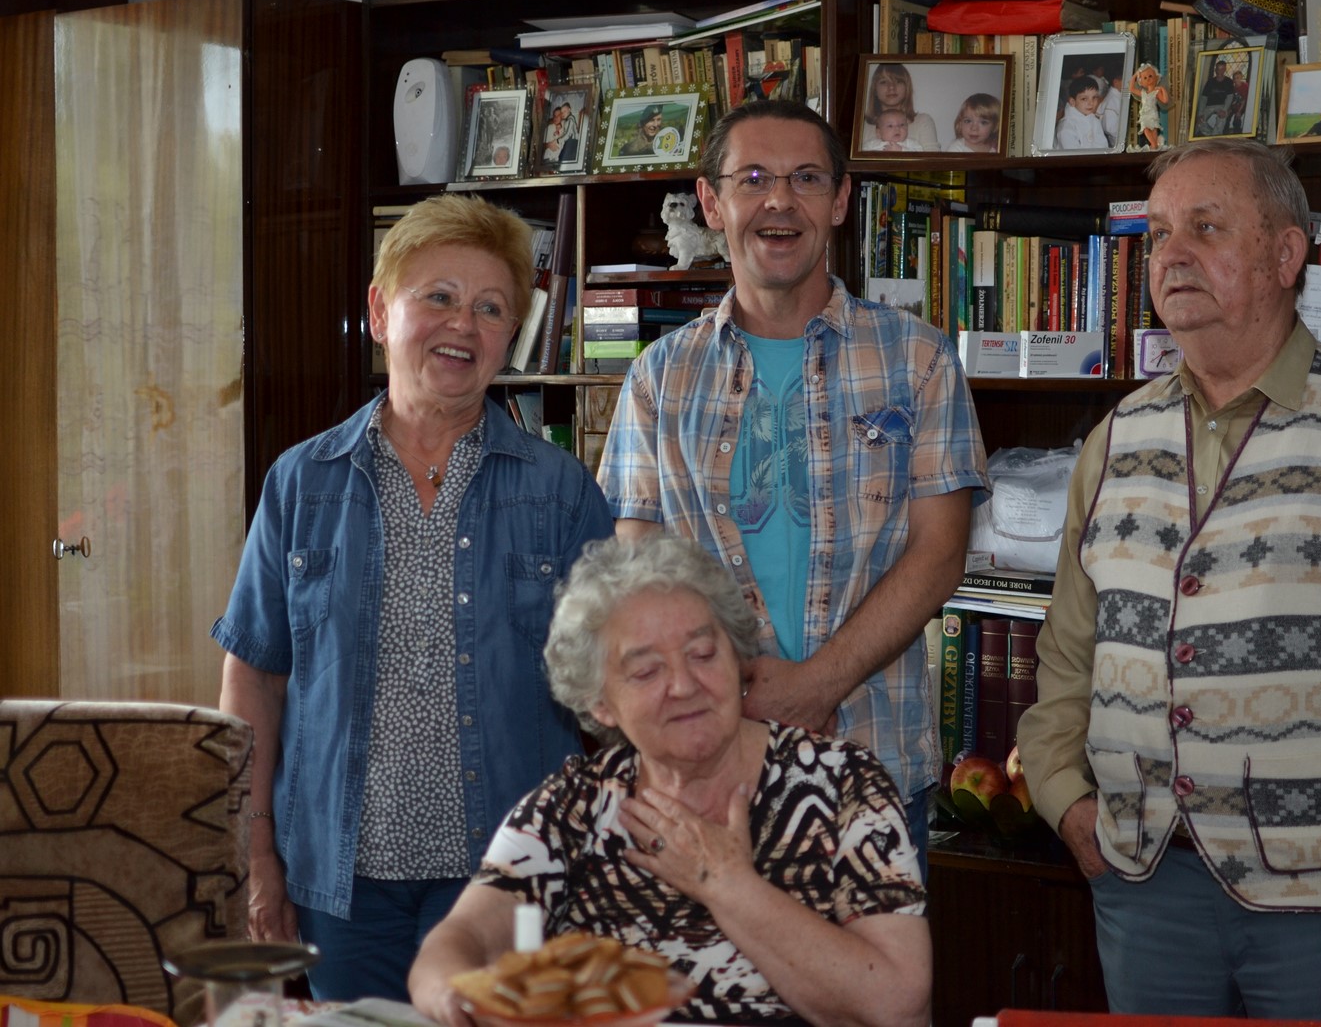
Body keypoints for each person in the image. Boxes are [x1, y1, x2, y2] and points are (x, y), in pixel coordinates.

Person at [1018, 138, 1321, 1024]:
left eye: (1206, 226)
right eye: (1160, 232)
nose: (1171, 254)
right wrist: (1061, 794)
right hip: (1141, 886)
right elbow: (1067, 651)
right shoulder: (1116, 436)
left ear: (1287, 254)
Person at [213, 193, 615, 1001]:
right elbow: (254, 676)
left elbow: (611, 694)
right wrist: (257, 852)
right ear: (378, 310)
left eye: (490, 308)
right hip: (342, 883)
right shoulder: (302, 484)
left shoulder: (561, 493)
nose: (462, 325)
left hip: (509, 880)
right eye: (438, 297)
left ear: (511, 335)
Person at [595, 100, 987, 863]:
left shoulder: (920, 360)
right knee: (711, 986)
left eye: (806, 178)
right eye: (753, 178)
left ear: (840, 201)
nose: (779, 201)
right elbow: (639, 566)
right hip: (705, 770)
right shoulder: (657, 378)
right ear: (712, 203)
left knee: (876, 985)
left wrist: (814, 686)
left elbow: (940, 554)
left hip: (868, 766)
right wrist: (737, 689)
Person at [407, 535, 931, 1026]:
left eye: (703, 655)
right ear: (600, 704)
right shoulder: (574, 806)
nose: (683, 685)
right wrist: (460, 997)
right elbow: (455, 943)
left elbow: (897, 1004)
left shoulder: (842, 786)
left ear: (739, 661)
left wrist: (727, 886)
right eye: (646, 672)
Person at [860, 62, 941, 151]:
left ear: (907, 87)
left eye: (898, 81)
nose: (891, 87)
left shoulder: (922, 122)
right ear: (875, 89)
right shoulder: (861, 125)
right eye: (884, 82)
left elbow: (932, 161)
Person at [1055, 74, 1108, 150]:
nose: (1091, 103)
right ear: (1072, 102)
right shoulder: (1066, 128)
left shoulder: (1093, 119)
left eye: (1094, 98)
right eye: (1084, 99)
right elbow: (1075, 158)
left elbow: (1103, 147)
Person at [1196, 59, 1237, 135]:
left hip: (1222, 105)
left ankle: (1215, 136)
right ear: (1215, 69)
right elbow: (1204, 98)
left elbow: (1230, 97)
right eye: (1218, 69)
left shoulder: (1229, 81)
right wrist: (1200, 113)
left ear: (1224, 70)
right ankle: (1212, 135)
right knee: (1199, 121)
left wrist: (1225, 110)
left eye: (1222, 69)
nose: (1219, 71)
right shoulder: (1210, 81)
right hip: (1209, 106)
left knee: (1222, 118)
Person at [541, 100, 577, 165]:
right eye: (554, 115)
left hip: (559, 159)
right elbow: (541, 145)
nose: (555, 117)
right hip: (548, 158)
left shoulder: (566, 124)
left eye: (558, 115)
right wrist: (548, 145)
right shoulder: (550, 127)